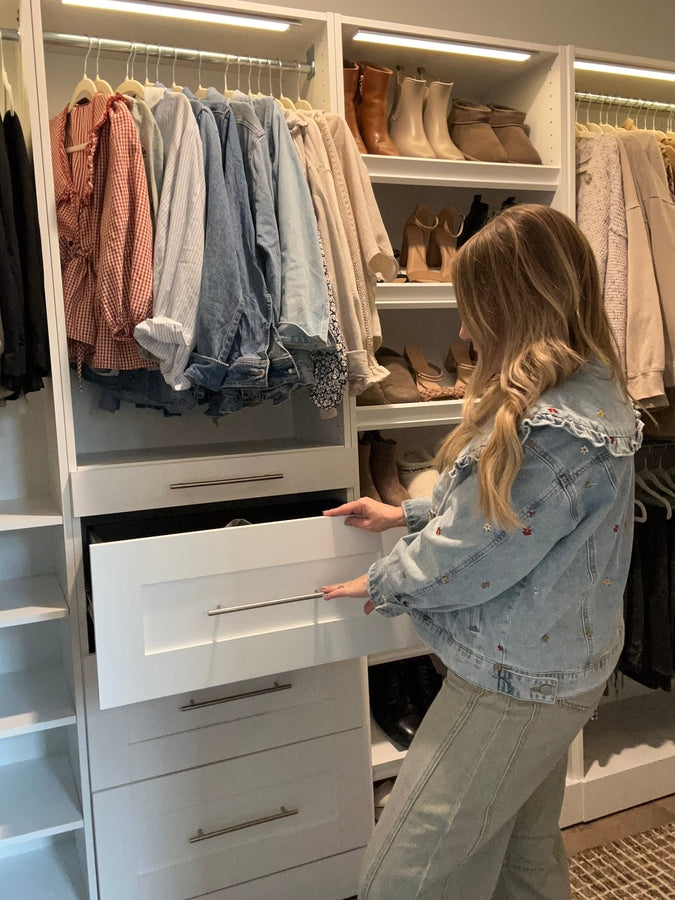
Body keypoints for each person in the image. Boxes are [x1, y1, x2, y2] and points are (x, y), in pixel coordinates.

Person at [321, 204, 642, 900]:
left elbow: (473, 552)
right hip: (558, 668)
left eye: (476, 311)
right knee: (520, 855)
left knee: (398, 878)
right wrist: (407, 511)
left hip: (515, 683)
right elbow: (515, 518)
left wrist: (386, 581)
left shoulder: (551, 426)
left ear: (518, 307)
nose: (463, 331)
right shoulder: (591, 394)